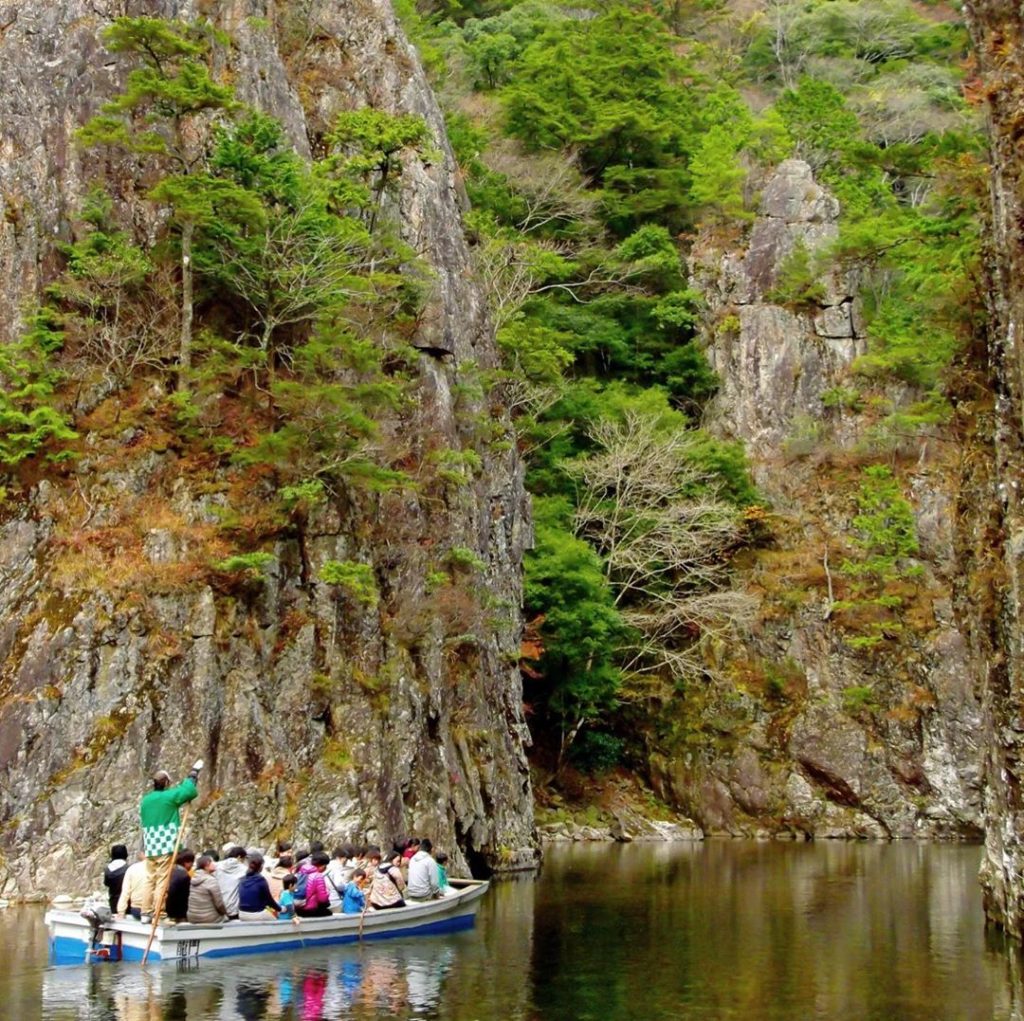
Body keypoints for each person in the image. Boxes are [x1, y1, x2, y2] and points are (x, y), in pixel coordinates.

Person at [138, 759, 202, 920]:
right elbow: (189, 791)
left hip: (150, 842)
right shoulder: (168, 797)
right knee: (162, 879)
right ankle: (159, 911)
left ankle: (145, 911)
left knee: (149, 878)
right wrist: (193, 774)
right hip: (165, 842)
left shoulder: (146, 800)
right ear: (166, 783)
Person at [237, 853, 279, 921]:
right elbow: (269, 900)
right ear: (261, 866)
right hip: (256, 914)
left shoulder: (242, 879)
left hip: (242, 914)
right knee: (276, 920)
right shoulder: (260, 880)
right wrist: (280, 909)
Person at [188, 854, 228, 924]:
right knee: (226, 919)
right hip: (208, 918)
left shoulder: (194, 878)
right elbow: (219, 904)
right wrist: (226, 913)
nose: (214, 864)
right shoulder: (211, 880)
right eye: (212, 862)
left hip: (192, 917)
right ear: (206, 865)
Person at [216, 845, 249, 920]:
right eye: (243, 859)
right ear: (239, 857)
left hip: (218, 907)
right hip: (234, 909)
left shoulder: (217, 866)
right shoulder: (244, 869)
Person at [296, 852, 332, 917]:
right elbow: (322, 899)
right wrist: (328, 892)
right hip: (310, 910)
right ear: (323, 865)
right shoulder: (318, 876)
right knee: (328, 912)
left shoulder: (300, 872)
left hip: (297, 908)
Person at [115, 851, 150, 919]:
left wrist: (121, 912)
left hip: (137, 910)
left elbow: (125, 892)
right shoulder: (159, 868)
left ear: (143, 853)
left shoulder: (132, 869)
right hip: (156, 910)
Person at [165, 849, 195, 923]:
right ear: (186, 862)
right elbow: (186, 897)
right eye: (192, 863)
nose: (192, 865)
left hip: (166, 910)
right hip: (177, 913)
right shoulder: (184, 876)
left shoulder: (169, 871)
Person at [103, 844, 129, 914]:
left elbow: (106, 883)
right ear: (125, 854)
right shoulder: (128, 868)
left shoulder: (108, 869)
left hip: (113, 901)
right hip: (126, 901)